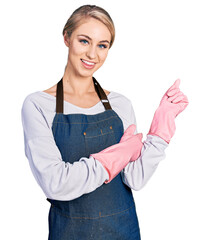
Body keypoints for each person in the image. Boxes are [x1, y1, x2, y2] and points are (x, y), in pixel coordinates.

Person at [21, 4, 189, 240]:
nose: (92, 54)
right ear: (66, 38)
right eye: (84, 41)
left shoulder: (120, 104)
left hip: (124, 230)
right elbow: (55, 183)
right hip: (70, 234)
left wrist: (161, 130)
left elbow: (134, 178)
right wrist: (117, 155)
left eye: (102, 45)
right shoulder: (38, 105)